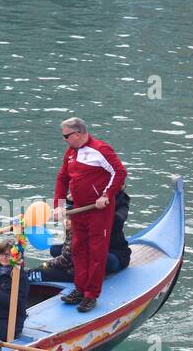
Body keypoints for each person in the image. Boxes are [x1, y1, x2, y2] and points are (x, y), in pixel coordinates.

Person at [53, 117, 126, 312]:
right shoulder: (70, 152)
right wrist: (59, 205)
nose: (64, 139)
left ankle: (91, 295)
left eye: (66, 136)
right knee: (78, 249)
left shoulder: (101, 150)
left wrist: (106, 195)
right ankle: (79, 288)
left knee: (96, 252)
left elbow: (119, 172)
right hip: (78, 210)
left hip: (98, 211)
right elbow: (62, 178)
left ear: (77, 134)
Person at [29, 191, 132, 285]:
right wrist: (70, 201)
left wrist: (102, 211)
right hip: (85, 250)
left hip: (112, 252)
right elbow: (74, 212)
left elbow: (118, 220)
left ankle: (76, 271)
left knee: (105, 260)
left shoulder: (121, 203)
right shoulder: (92, 196)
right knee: (55, 250)